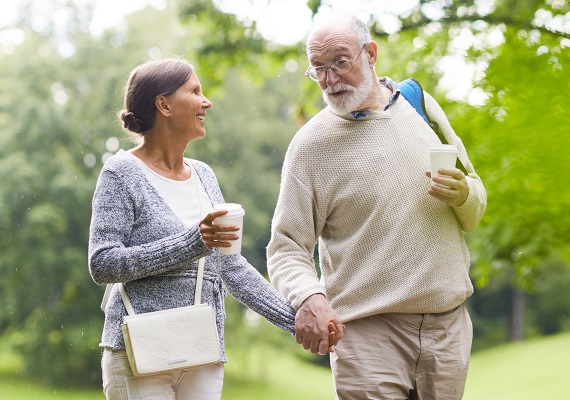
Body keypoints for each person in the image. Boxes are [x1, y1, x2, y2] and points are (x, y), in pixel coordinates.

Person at [266, 12, 487, 400]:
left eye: (339, 62)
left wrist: (463, 195)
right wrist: (310, 297)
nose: (330, 80)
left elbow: (476, 207)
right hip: (367, 335)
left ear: (370, 53)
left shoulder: (420, 105)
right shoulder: (310, 146)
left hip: (448, 329)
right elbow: (286, 248)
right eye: (318, 68)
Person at [88, 59, 330, 399]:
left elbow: (230, 268)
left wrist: (297, 322)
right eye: (195, 91)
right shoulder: (121, 173)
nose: (207, 101)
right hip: (138, 352)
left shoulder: (204, 175)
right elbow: (103, 263)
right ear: (164, 104)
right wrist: (193, 242)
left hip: (202, 349)